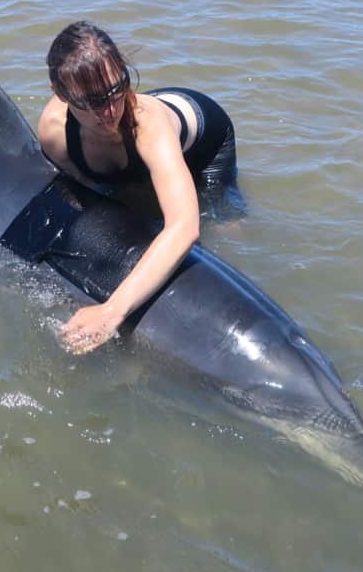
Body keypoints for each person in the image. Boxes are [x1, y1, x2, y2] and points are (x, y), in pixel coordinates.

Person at [37, 20, 240, 355]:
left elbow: (184, 228)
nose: (109, 111)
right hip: (141, 152)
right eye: (92, 101)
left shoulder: (149, 126)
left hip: (206, 143)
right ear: (59, 93)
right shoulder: (55, 132)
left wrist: (112, 311)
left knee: (223, 225)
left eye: (117, 89)